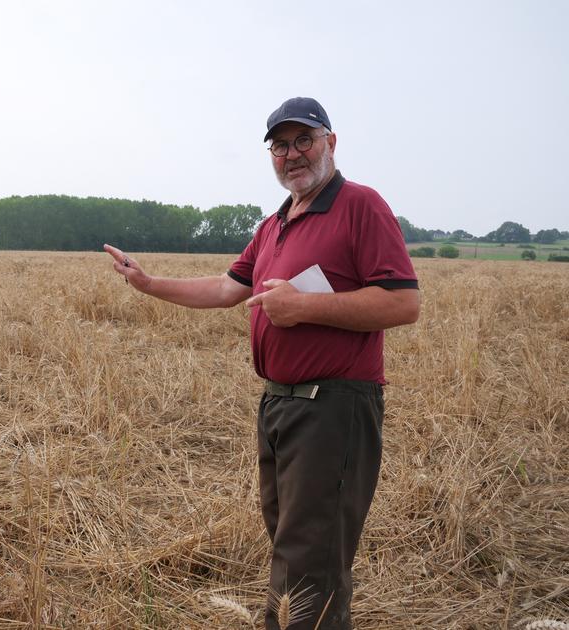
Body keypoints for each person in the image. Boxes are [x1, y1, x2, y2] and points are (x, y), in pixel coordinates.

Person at [103, 96, 419, 629]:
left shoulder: (360, 205)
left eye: (304, 140)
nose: (292, 154)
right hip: (279, 404)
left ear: (331, 143)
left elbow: (403, 302)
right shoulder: (275, 224)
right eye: (280, 144)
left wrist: (304, 306)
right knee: (291, 540)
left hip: (333, 407)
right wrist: (148, 282)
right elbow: (229, 288)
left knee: (309, 557)